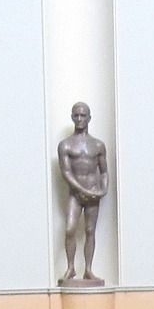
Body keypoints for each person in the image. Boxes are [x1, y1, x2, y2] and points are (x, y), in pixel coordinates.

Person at [57, 102, 109, 286]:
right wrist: (83, 190)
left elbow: (104, 171)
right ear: (72, 117)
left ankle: (88, 269)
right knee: (70, 228)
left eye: (83, 115)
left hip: (93, 194)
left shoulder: (98, 145)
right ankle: (71, 267)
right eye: (76, 115)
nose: (80, 119)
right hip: (76, 194)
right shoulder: (65, 145)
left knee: (89, 231)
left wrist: (103, 189)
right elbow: (66, 173)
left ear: (89, 118)